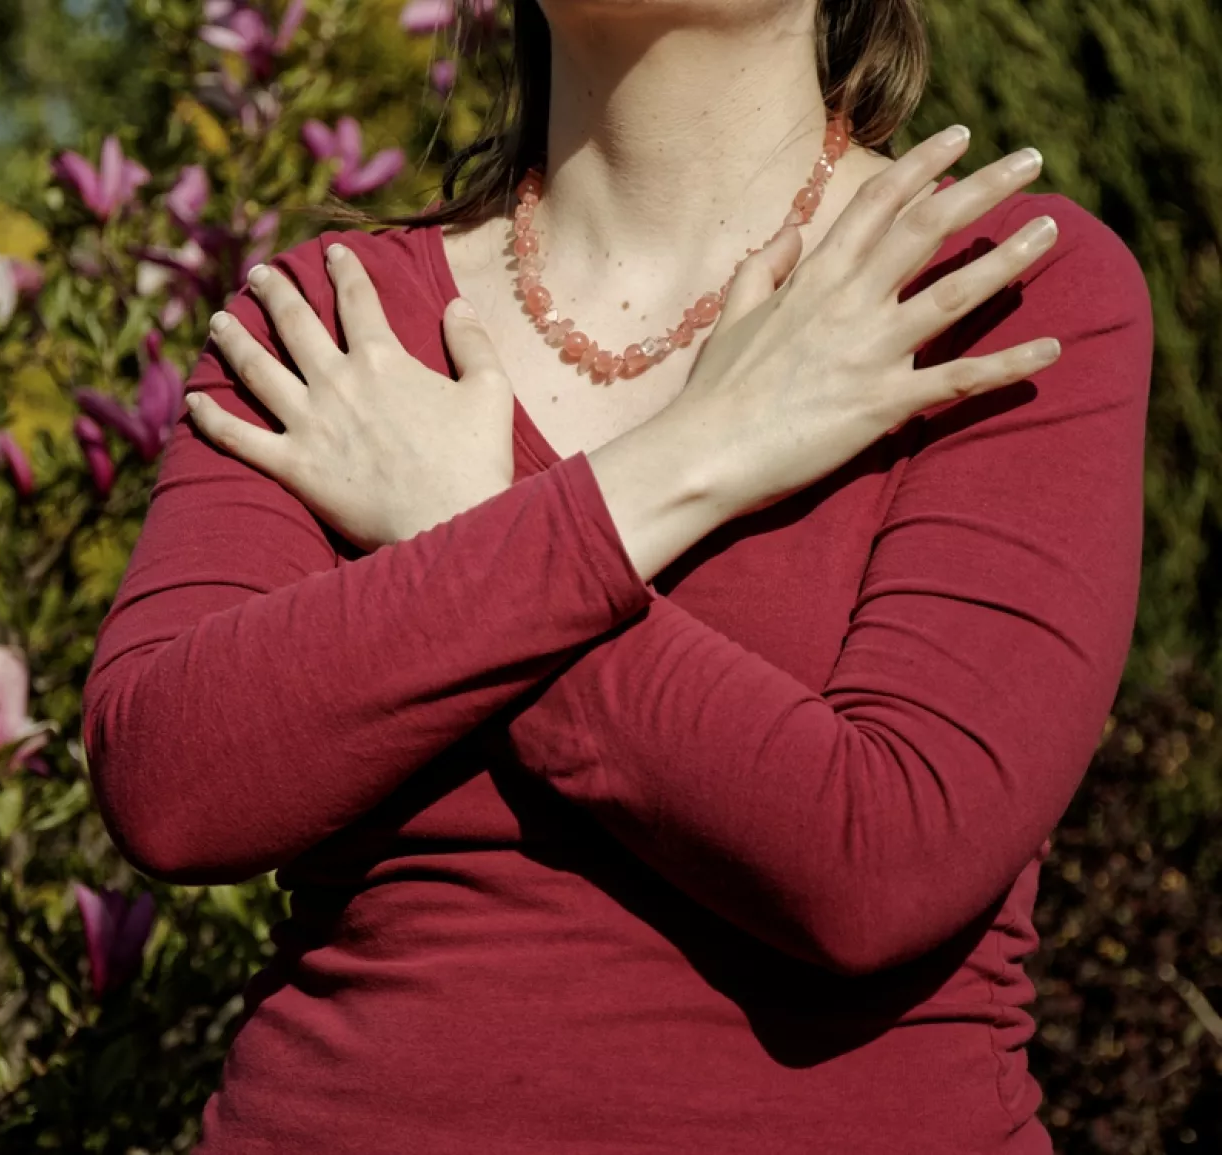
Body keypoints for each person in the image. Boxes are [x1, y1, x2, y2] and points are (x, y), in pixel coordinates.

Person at [83, 1, 1153, 1150]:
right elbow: (172, 781)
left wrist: (459, 525)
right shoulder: (341, 332)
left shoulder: (990, 289)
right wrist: (695, 456)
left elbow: (881, 857)